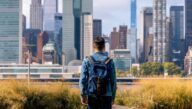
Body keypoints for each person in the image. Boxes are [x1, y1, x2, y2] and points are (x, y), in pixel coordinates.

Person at [79, 36, 117, 109]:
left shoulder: (87, 60)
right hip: (107, 95)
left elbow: (82, 80)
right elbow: (113, 82)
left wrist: (83, 95)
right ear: (104, 47)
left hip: (92, 95)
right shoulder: (110, 61)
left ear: (93, 46)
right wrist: (113, 97)